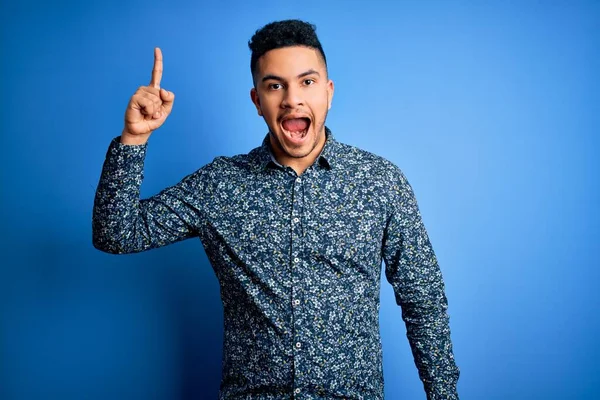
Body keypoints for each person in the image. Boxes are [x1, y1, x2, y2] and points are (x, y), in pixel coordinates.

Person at [93, 19, 460, 400]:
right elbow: (116, 233)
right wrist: (134, 138)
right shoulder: (221, 185)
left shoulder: (379, 181)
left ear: (329, 92)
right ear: (257, 101)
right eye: (275, 85)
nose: (292, 99)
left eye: (307, 82)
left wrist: (443, 393)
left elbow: (423, 297)